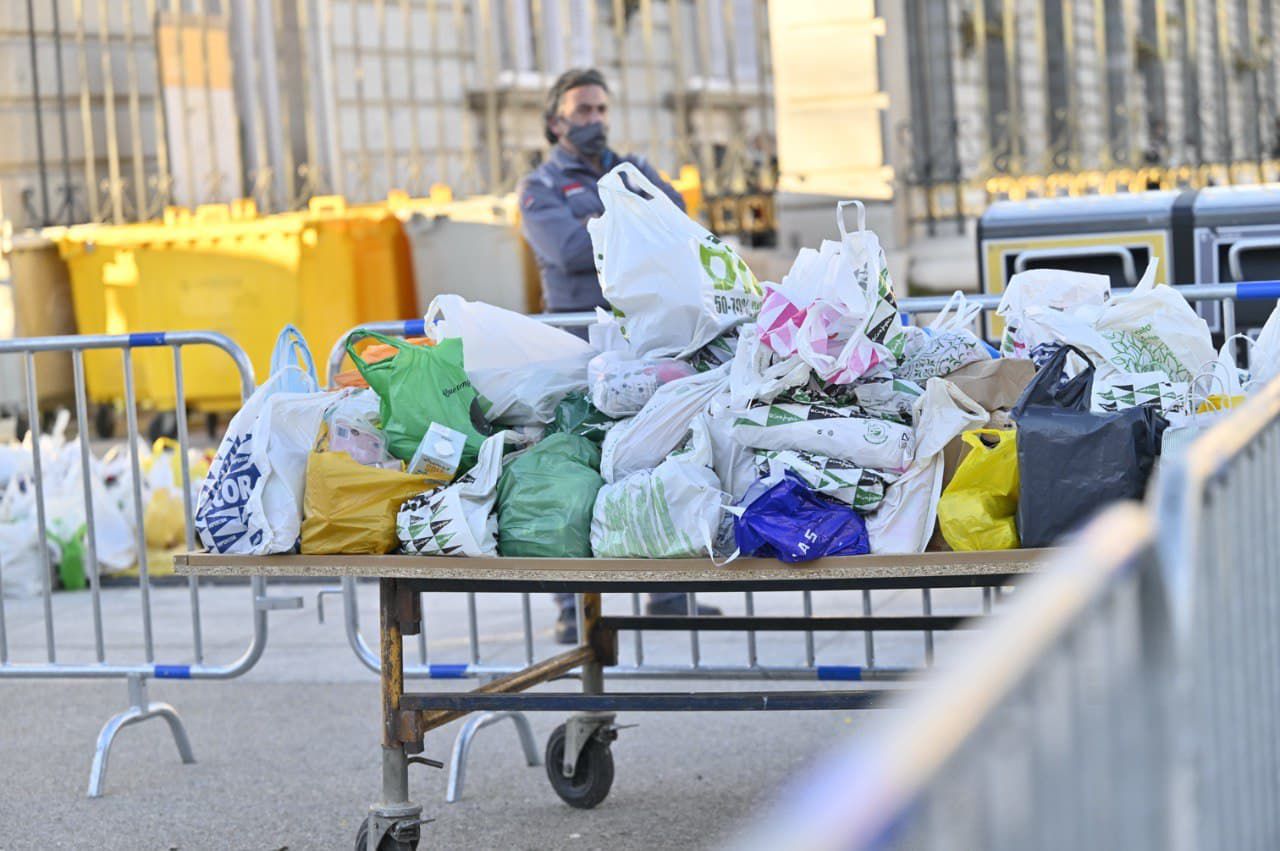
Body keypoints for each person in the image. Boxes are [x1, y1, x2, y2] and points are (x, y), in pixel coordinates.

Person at [518, 68, 721, 644]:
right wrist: (634, 227)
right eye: (583, 111)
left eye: (602, 109)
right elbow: (567, 250)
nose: (596, 121)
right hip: (581, 345)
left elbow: (679, 220)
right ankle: (571, 605)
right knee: (574, 463)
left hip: (645, 341)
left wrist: (632, 223)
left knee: (664, 451)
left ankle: (671, 595)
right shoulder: (541, 186)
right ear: (556, 120)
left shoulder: (629, 170)